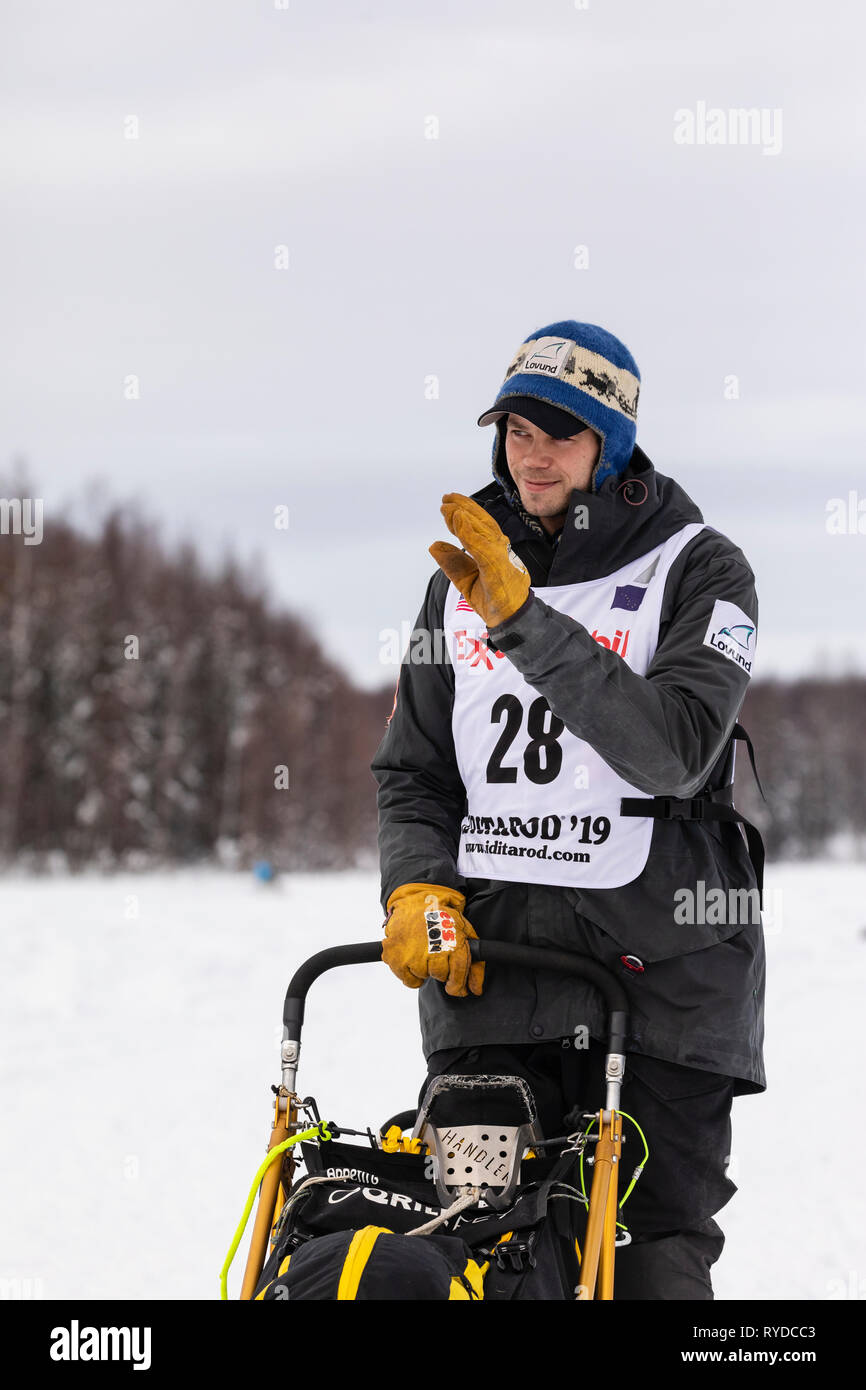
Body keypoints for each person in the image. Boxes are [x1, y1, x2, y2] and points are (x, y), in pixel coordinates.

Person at [371, 319, 766, 1299]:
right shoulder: (452, 581)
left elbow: (670, 751)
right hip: (491, 976)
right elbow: (415, 771)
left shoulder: (703, 571)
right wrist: (417, 885)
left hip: (658, 985)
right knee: (483, 1256)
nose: (530, 450)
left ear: (612, 444)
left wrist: (524, 622)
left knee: (646, 1258)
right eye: (514, 428)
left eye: (560, 430)